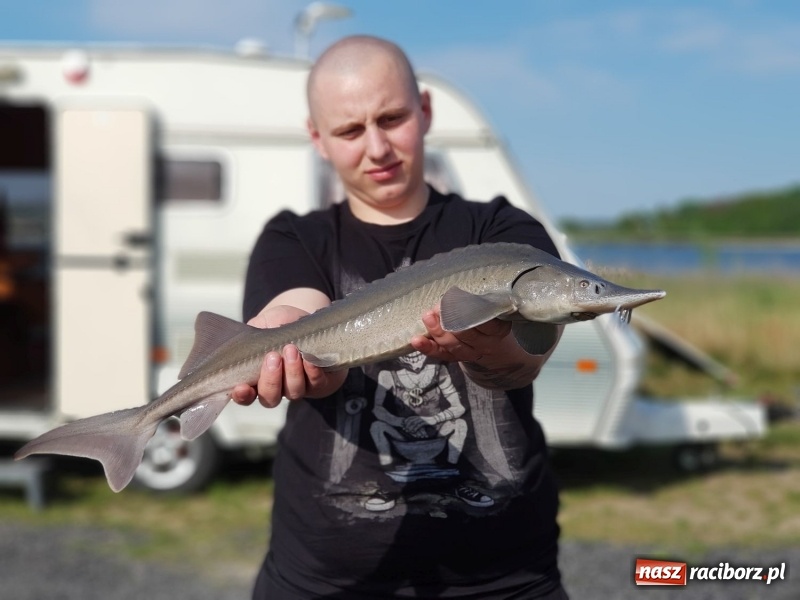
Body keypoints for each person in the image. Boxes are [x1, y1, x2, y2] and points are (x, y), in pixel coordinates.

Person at [232, 34, 569, 599]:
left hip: (504, 576)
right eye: (349, 130)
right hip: (325, 580)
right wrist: (287, 338)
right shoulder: (294, 238)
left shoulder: (504, 233)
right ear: (317, 139)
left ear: (426, 110)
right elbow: (298, 308)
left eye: (392, 119)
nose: (377, 147)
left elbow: (527, 357)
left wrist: (490, 353)